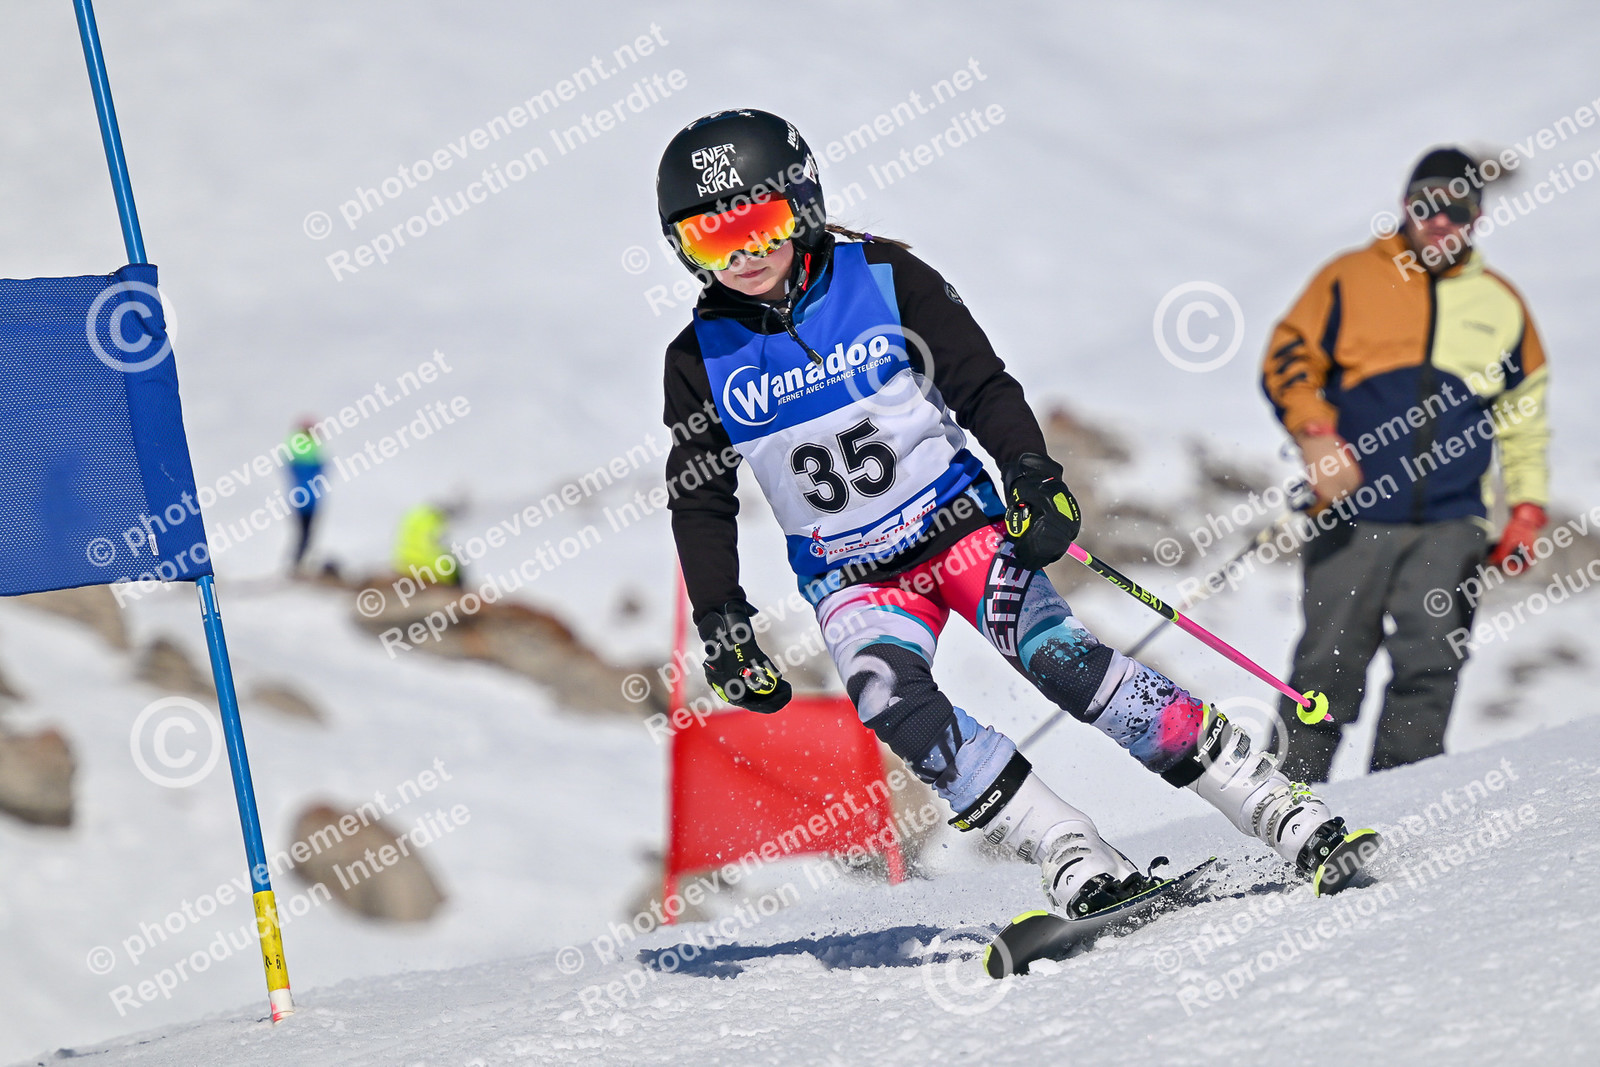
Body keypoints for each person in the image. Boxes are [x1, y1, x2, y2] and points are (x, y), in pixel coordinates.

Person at [658, 109, 1371, 917]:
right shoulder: (697, 359)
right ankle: (1067, 847)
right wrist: (721, 618)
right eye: (713, 239)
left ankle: (1268, 800)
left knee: (1060, 658)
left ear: (804, 206)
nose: (743, 255)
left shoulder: (884, 277)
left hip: (955, 529)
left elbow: (980, 383)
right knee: (892, 701)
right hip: (851, 577)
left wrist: (1031, 475)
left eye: (759, 225)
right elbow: (700, 497)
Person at [1262, 146, 1550, 782]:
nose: (1440, 221)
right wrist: (1316, 436)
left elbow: (1524, 416)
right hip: (1353, 515)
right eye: (1427, 206)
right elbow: (1289, 358)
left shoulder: (1502, 304)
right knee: (1324, 671)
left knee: (1431, 668)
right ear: (1405, 207)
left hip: (1451, 523)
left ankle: (1405, 809)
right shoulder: (1348, 279)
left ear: (1477, 217)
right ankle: (1280, 804)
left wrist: (1528, 510)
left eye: (1457, 209)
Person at [393, 500, 462, 588]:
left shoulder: (414, 514)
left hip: (403, 564)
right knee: (454, 560)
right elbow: (438, 543)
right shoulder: (436, 520)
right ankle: (457, 590)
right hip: (428, 566)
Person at [285, 418, 324, 573]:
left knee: (302, 534)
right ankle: (297, 565)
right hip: (309, 500)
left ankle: (297, 564)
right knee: (306, 534)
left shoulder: (293, 447)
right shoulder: (312, 450)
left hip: (298, 498)